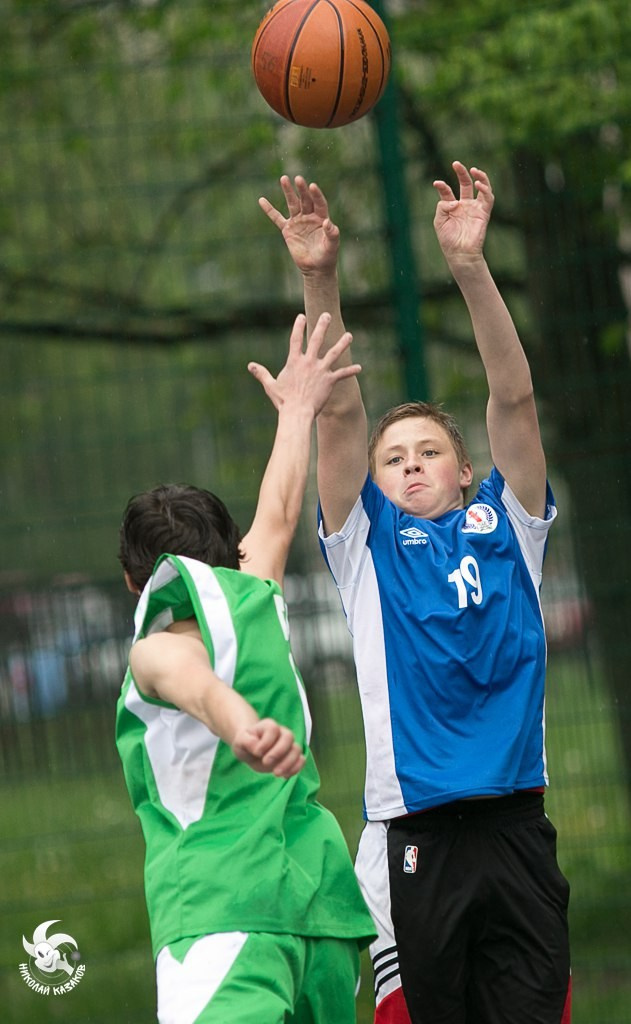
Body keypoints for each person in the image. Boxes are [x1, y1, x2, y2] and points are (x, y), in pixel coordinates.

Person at [259, 163, 572, 1024]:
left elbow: (511, 393)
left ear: (464, 469)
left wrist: (469, 268)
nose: (408, 465)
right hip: (413, 836)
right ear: (373, 483)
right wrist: (319, 277)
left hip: (514, 825)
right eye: (393, 458)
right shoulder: (364, 549)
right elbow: (337, 416)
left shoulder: (511, 524)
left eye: (428, 451)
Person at [115, 311, 376, 1024]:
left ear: (136, 582)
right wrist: (296, 411)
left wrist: (241, 728)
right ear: (229, 554)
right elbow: (281, 508)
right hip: (320, 910)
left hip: (221, 912)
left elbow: (197, 687)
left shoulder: (155, 648)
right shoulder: (254, 594)